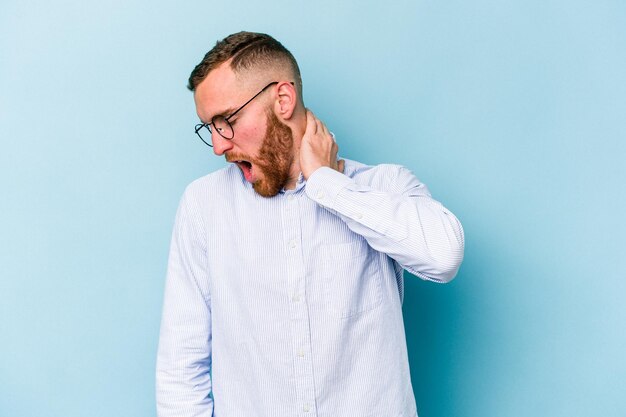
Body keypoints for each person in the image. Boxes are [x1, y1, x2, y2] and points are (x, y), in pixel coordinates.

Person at [156, 31, 464, 417]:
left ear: (283, 99)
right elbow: (180, 370)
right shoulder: (204, 206)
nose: (219, 146)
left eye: (227, 121)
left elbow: (444, 256)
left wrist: (328, 185)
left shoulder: (382, 187)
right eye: (210, 128)